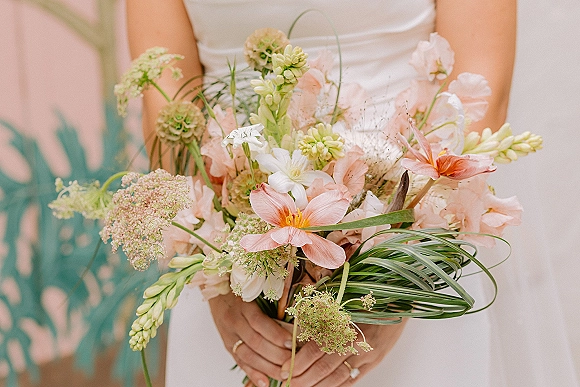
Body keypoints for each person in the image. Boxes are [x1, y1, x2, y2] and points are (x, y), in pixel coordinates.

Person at [126, 1, 516, 386]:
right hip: (234, 264)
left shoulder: (404, 271)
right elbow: (168, 109)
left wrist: (395, 285)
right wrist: (216, 271)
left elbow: (481, 97)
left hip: (413, 247)